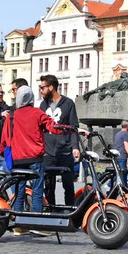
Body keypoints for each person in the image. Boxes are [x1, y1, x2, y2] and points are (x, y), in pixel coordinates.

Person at [0, 86, 63, 236]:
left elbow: (4, 141)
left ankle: (19, 225)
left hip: (17, 160)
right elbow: (53, 127)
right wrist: (67, 129)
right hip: (35, 158)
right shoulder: (37, 113)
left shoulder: (11, 116)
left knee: (19, 191)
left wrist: (7, 153)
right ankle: (38, 224)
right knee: (37, 190)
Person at [39, 74, 80, 206]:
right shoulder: (42, 105)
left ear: (51, 87)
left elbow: (74, 127)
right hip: (48, 152)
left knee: (68, 185)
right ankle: (51, 211)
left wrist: (75, 147)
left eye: (42, 87)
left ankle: (70, 211)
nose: (41, 90)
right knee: (49, 186)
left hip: (65, 151)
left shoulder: (68, 103)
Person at [113, 120, 128, 187]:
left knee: (119, 171)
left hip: (117, 154)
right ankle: (125, 187)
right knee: (123, 172)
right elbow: (126, 144)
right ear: (127, 126)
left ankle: (110, 184)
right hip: (122, 155)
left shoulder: (117, 134)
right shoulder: (125, 134)